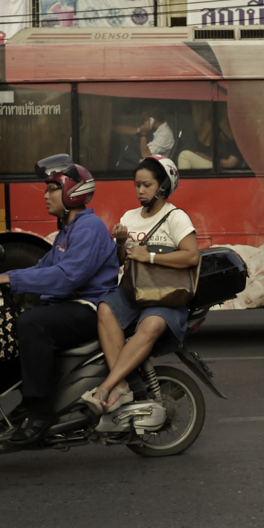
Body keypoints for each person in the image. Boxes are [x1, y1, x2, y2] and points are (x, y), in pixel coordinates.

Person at [0, 154, 119, 443]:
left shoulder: (89, 228)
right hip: (70, 305)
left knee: (32, 324)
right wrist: (3, 277)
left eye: (52, 188)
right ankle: (27, 401)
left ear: (72, 191)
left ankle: (41, 412)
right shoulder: (67, 230)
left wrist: (12, 280)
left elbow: (68, 276)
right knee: (9, 328)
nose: (46, 195)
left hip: (90, 307)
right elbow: (43, 267)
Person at [81, 155, 200, 413]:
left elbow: (192, 256)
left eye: (147, 185)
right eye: (137, 185)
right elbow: (120, 260)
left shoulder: (176, 217)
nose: (141, 191)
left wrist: (152, 256)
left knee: (151, 324)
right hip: (134, 290)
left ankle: (107, 386)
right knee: (105, 309)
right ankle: (122, 385)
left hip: (167, 294)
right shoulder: (129, 216)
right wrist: (122, 243)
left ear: (163, 187)